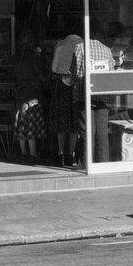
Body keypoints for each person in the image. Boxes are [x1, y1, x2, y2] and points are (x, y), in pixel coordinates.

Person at [72, 24, 115, 165]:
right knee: (102, 132)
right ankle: (103, 163)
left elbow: (76, 73)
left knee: (86, 131)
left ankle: (87, 164)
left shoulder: (80, 48)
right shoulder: (107, 50)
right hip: (103, 95)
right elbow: (111, 73)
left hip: (85, 95)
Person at [47, 24, 82, 167]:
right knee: (75, 122)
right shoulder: (82, 44)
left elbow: (54, 68)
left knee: (61, 122)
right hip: (77, 83)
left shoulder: (60, 44)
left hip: (61, 85)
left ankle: (61, 154)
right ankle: (71, 155)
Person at [11, 29, 47, 163]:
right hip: (32, 95)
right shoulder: (33, 57)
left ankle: (23, 153)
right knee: (31, 125)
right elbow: (42, 76)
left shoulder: (15, 57)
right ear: (31, 42)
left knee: (21, 124)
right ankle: (33, 154)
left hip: (19, 93)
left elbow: (12, 75)